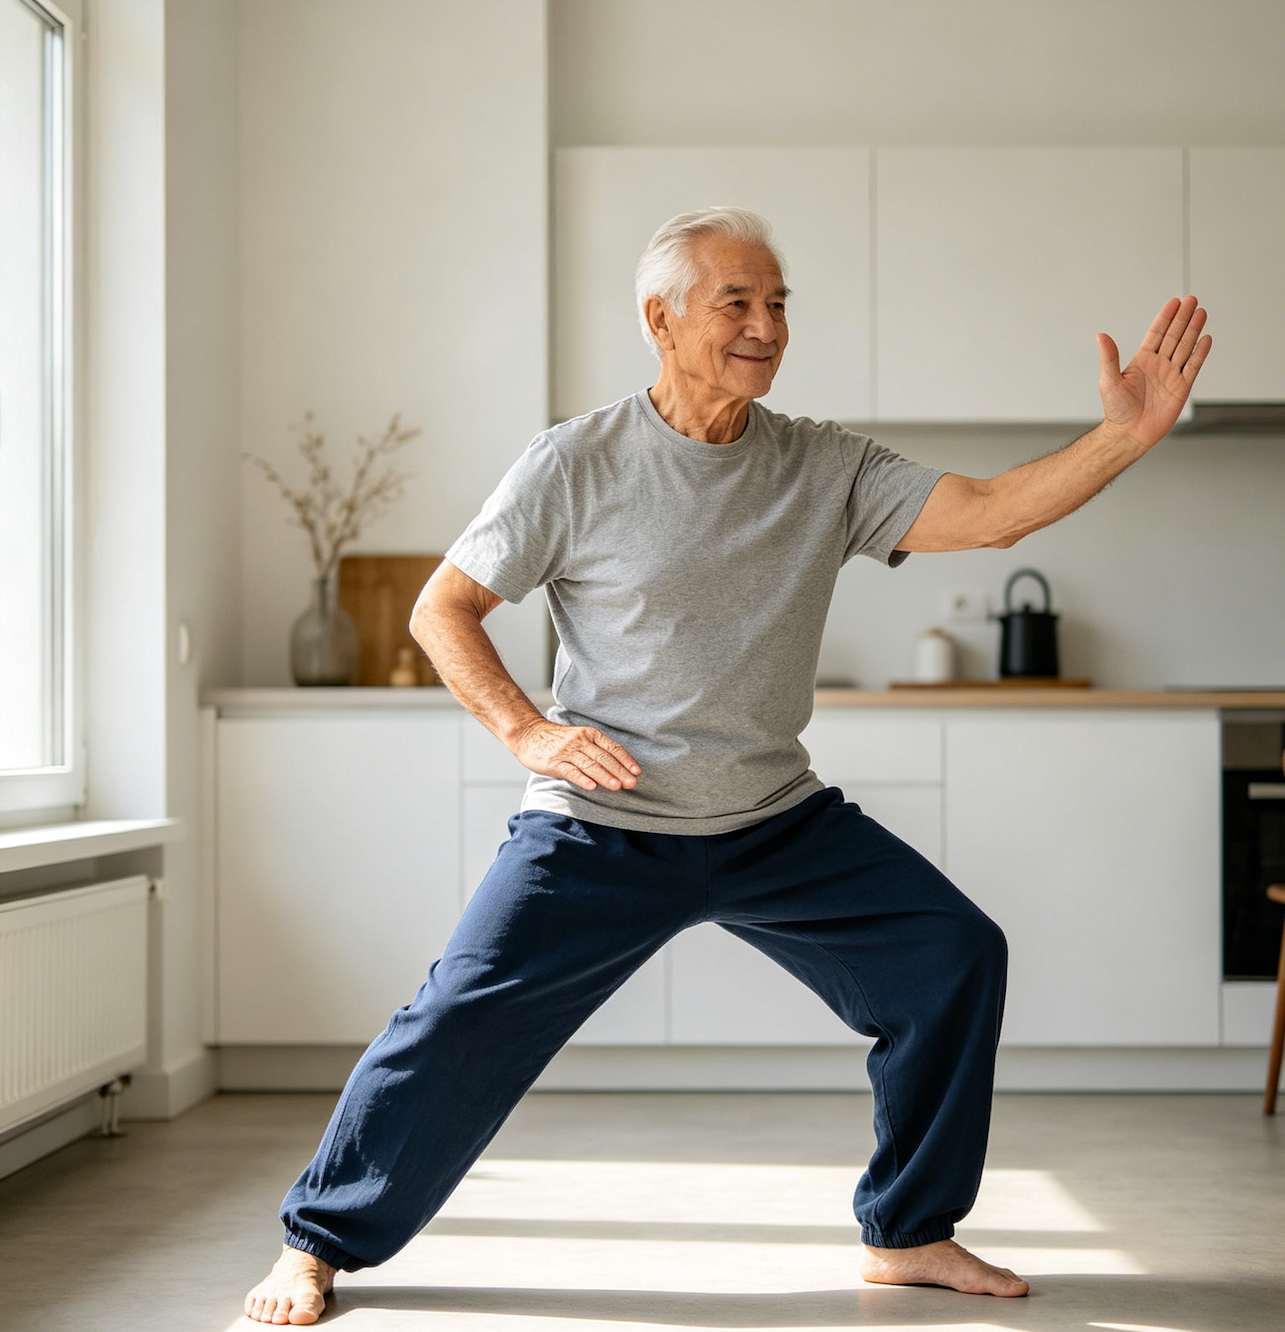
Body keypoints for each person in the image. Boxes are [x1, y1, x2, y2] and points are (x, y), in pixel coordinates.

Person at [244, 207, 1210, 1324]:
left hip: (770, 817)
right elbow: (443, 608)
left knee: (951, 955)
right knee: (456, 1022)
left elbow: (990, 516)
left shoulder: (822, 465)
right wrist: (527, 731)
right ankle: (315, 1243)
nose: (766, 325)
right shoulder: (575, 462)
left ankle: (908, 1231)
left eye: (779, 302)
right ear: (659, 319)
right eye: (736, 303)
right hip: (602, 820)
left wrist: (1122, 439)